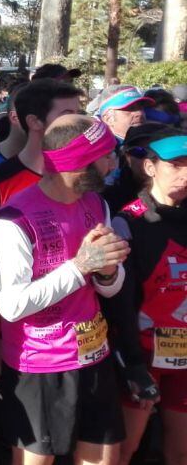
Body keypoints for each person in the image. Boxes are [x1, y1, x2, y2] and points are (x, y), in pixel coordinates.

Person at [0, 115, 127, 465]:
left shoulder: (97, 204)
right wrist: (81, 266)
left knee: (104, 459)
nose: (114, 161)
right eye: (106, 153)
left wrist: (108, 272)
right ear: (79, 160)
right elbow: (12, 305)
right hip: (41, 364)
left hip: (95, 353)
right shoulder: (13, 220)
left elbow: (108, 287)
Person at [105, 128, 187, 465]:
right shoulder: (129, 221)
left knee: (180, 451)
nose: (186, 175)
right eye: (176, 165)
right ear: (151, 167)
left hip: (183, 355)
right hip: (143, 353)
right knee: (125, 450)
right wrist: (132, 364)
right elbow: (119, 304)